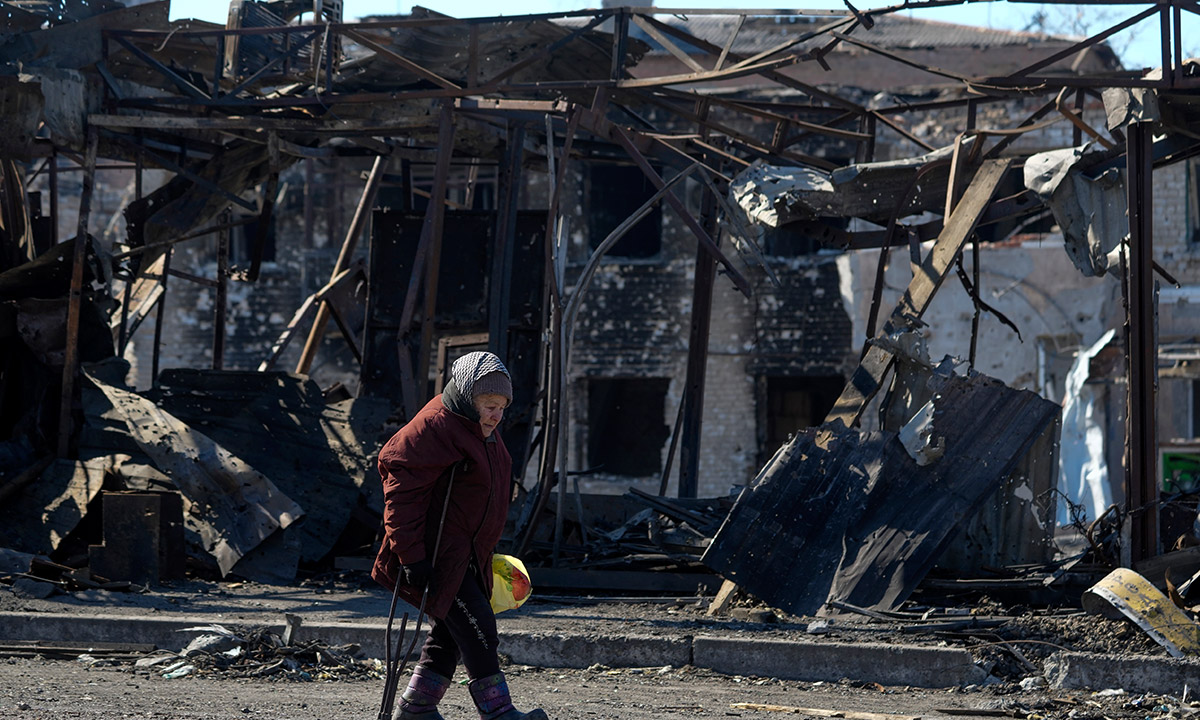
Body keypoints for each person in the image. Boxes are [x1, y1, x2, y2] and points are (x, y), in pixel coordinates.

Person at [371, 351, 548, 720]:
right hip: (436, 556)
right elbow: (401, 490)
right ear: (468, 398)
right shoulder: (435, 426)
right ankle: (499, 713)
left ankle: (416, 710)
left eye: (501, 406)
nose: (497, 415)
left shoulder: (478, 426)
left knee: (451, 634)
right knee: (479, 628)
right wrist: (411, 557)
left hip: (468, 554)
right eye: (489, 405)